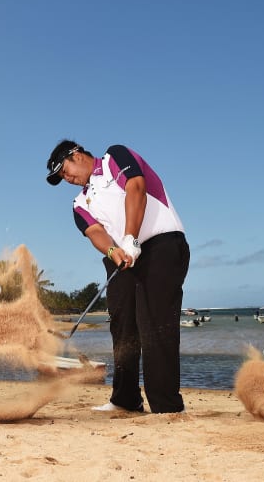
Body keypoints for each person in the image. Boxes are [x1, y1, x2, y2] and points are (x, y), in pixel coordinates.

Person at [45, 140, 189, 414]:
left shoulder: (114, 158)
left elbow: (137, 188)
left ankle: (167, 406)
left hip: (162, 245)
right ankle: (126, 399)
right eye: (62, 178)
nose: (67, 179)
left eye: (65, 171)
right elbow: (95, 232)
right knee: (122, 327)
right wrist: (114, 251)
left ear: (76, 155)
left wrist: (131, 238)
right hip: (122, 258)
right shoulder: (79, 204)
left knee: (155, 325)